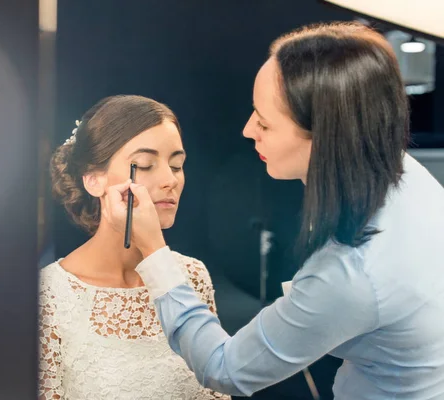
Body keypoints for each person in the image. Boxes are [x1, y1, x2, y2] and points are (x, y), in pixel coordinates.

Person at [102, 22, 444, 399]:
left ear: (326, 136)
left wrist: (154, 253)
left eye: (265, 123)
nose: (249, 130)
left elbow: (224, 368)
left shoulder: (351, 273)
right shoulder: (401, 170)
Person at [38, 95, 230, 399]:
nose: (170, 180)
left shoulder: (191, 276)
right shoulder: (48, 296)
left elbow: (219, 382)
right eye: (144, 165)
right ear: (93, 179)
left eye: (177, 165)